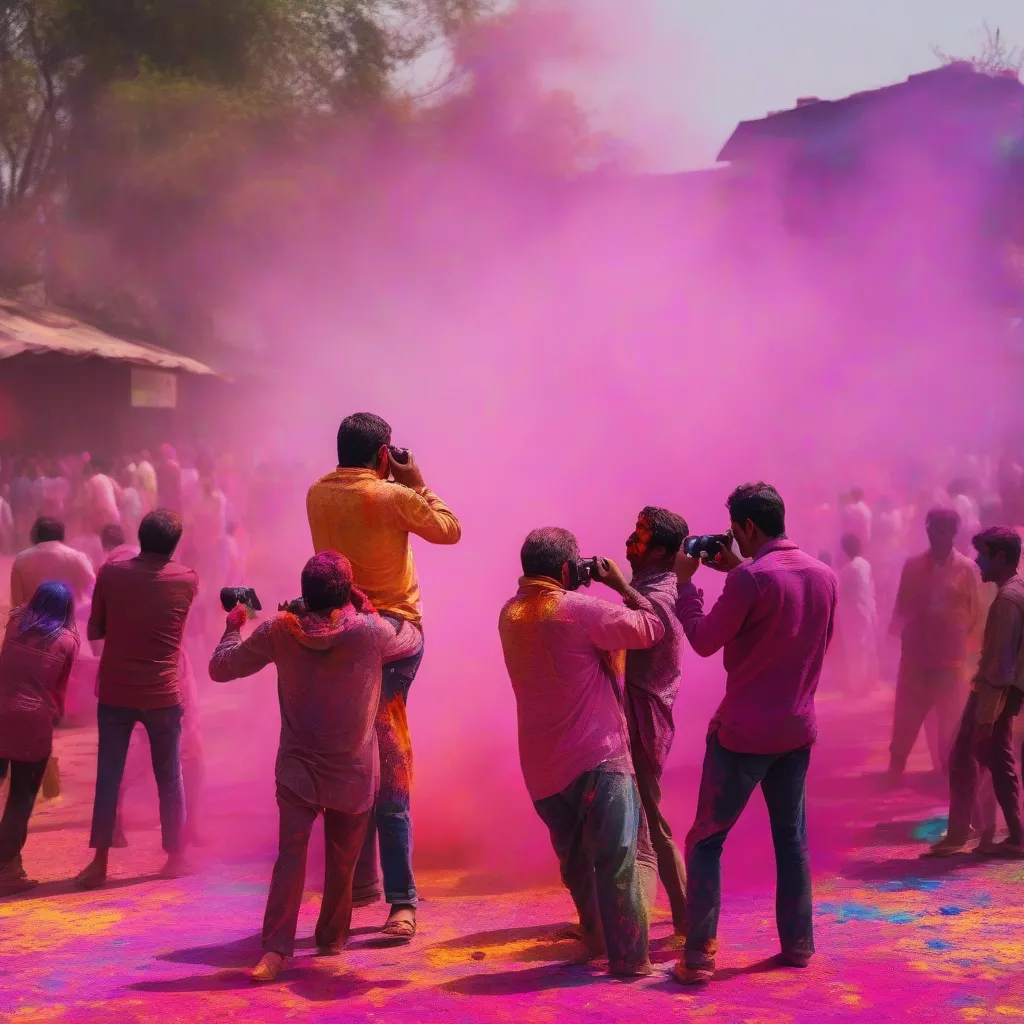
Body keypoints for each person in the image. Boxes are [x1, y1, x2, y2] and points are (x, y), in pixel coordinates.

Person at [209, 551, 422, 982]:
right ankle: (330, 939)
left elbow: (221, 668)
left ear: (304, 592)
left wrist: (233, 627)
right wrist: (364, 604)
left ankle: (275, 951)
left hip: (297, 767)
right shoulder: (369, 632)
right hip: (354, 769)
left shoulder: (279, 630)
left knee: (291, 855)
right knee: (342, 861)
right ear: (346, 591)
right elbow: (412, 639)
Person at [671, 482, 837, 984]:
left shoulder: (751, 581)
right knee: (792, 841)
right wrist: (738, 572)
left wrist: (686, 585)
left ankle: (699, 957)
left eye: (737, 532)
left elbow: (702, 639)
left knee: (705, 842)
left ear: (746, 527)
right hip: (796, 728)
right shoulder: (824, 575)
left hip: (743, 734)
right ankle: (800, 946)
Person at [306, 413, 461, 939]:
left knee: (356, 759)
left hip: (340, 636)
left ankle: (364, 884)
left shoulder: (316, 494)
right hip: (394, 638)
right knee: (389, 764)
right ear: (383, 454)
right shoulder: (392, 496)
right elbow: (450, 530)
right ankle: (401, 900)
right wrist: (416, 482)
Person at [498, 527, 664, 977]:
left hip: (541, 767)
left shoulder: (508, 615)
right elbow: (651, 628)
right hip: (598, 758)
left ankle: (595, 939)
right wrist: (623, 587)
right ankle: (630, 960)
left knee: (575, 864)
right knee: (617, 861)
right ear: (569, 570)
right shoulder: (577, 610)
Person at [75, 509, 198, 889]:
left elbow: (96, 629)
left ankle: (99, 862)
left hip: (116, 689)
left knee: (109, 774)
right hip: (163, 690)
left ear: (140, 538)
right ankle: (175, 856)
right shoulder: (186, 580)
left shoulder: (111, 574)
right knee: (170, 774)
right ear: (174, 545)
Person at [928, 527, 1024, 857]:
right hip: (999, 693)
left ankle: (970, 834)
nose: (977, 561)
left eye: (983, 554)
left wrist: (986, 714)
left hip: (993, 695)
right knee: (993, 758)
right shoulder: (1014, 591)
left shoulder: (1008, 601)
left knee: (970, 756)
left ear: (1000, 557)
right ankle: (1004, 833)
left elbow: (1000, 666)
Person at [623, 506, 690, 937]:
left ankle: (686, 918)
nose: (631, 539)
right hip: (637, 709)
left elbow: (653, 627)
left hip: (645, 713)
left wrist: (615, 587)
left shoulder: (661, 592)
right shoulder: (647, 584)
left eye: (641, 534)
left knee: (651, 821)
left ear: (661, 550)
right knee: (642, 819)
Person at [887, 508, 980, 787]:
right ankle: (895, 768)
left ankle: (946, 770)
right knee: (907, 715)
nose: (936, 535)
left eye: (942, 529)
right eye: (932, 529)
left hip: (950, 658)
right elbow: (901, 607)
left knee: (951, 718)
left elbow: (973, 612)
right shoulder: (912, 566)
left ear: (953, 533)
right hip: (916, 656)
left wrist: (957, 633)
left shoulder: (966, 569)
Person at [0, 582, 80, 893]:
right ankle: (5, 868)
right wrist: (55, 719)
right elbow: (60, 690)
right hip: (32, 723)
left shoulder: (16, 623)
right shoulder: (68, 641)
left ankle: (9, 865)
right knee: (20, 798)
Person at [10, 517, 96, 613]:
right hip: (69, 621)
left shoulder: (21, 559)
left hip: (32, 622)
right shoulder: (78, 557)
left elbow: (17, 602)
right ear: (62, 535)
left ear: (35, 536)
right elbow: (92, 591)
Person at [836, 533, 879, 694]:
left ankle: (858, 686)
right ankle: (868, 683)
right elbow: (871, 589)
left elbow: (842, 593)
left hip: (853, 613)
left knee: (856, 649)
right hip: (866, 610)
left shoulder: (848, 569)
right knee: (867, 647)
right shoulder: (865, 565)